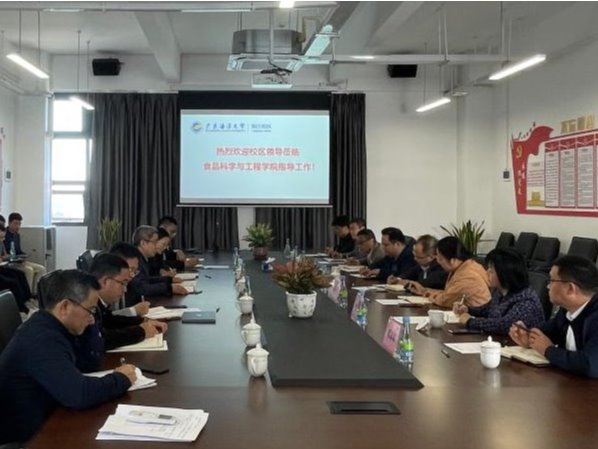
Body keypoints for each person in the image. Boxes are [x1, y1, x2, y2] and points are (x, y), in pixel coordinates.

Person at [0, 269, 136, 445]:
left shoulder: (55, 327)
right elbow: (79, 394)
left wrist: (90, 327)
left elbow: (90, 363)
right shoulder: (42, 339)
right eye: (90, 310)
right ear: (64, 307)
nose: (92, 318)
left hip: (49, 418)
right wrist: (122, 378)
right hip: (29, 439)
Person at [509, 255, 598, 378]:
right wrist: (528, 337)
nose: (548, 286)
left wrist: (548, 350)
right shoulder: (566, 310)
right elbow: (545, 332)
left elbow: (591, 365)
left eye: (551, 280)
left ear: (570, 288)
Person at [76, 255, 168, 372]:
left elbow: (109, 320)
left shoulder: (99, 303)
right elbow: (102, 339)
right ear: (105, 281)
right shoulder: (84, 304)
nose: (125, 290)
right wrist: (140, 331)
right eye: (123, 283)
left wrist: (142, 321)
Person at [454, 248, 544, 335]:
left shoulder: (526, 300)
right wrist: (468, 309)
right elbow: (487, 310)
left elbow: (505, 325)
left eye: (491, 271)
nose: (487, 272)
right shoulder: (500, 290)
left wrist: (470, 321)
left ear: (504, 274)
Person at [410, 236, 490, 308]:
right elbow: (449, 293)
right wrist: (424, 291)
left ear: (452, 260)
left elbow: (444, 300)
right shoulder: (464, 267)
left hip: (476, 315)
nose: (438, 261)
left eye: (440, 259)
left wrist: (426, 293)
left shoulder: (468, 276)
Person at [128, 225, 187, 306]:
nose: (156, 246)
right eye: (154, 242)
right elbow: (141, 287)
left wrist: (168, 280)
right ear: (143, 243)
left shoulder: (142, 258)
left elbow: (146, 279)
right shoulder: (134, 260)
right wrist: (169, 288)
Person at [3, 212, 47, 295]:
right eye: (15, 223)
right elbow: (5, 254)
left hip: (18, 261)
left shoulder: (17, 235)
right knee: (28, 270)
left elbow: (18, 250)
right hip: (9, 262)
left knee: (41, 269)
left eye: (19, 224)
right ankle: (27, 295)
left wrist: (24, 255)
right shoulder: (4, 234)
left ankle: (35, 293)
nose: (18, 226)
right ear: (9, 223)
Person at [0, 223, 33, 313]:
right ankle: (20, 307)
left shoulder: (1, 242)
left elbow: (5, 255)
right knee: (13, 282)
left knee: (20, 274)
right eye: (1, 237)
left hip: (2, 266)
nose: (2, 240)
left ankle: (27, 299)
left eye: (3, 237)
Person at [109, 242, 149, 317]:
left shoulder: (128, 284)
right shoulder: (102, 288)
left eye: (135, 271)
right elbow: (105, 319)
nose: (132, 275)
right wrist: (134, 311)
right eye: (131, 269)